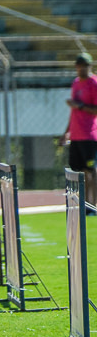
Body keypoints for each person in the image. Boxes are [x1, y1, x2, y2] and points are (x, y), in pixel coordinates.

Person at [60, 52, 97, 215]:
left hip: (89, 135)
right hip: (76, 135)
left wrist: (79, 105)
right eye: (80, 65)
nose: (82, 68)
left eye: (85, 65)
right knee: (78, 171)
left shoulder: (94, 83)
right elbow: (73, 112)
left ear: (90, 66)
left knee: (91, 172)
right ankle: (82, 204)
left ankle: (92, 205)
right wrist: (66, 132)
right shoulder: (76, 83)